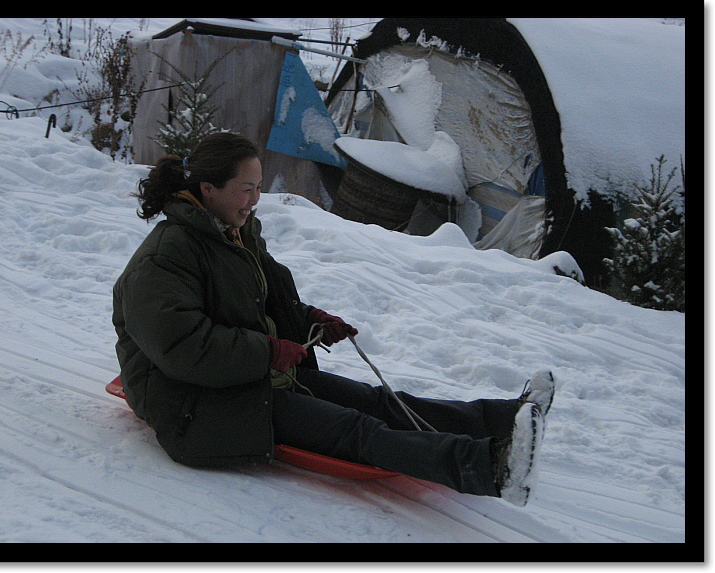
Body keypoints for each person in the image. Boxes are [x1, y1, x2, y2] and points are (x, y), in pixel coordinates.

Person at [112, 132, 555, 507]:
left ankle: (504, 419)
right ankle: (491, 469)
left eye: (258, 187)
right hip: (193, 400)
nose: (254, 200)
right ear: (208, 189)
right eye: (245, 189)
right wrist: (268, 351)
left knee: (376, 399)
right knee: (355, 431)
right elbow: (184, 348)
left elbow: (258, 303)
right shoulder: (164, 257)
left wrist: (311, 321)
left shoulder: (234, 232)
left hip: (248, 373)